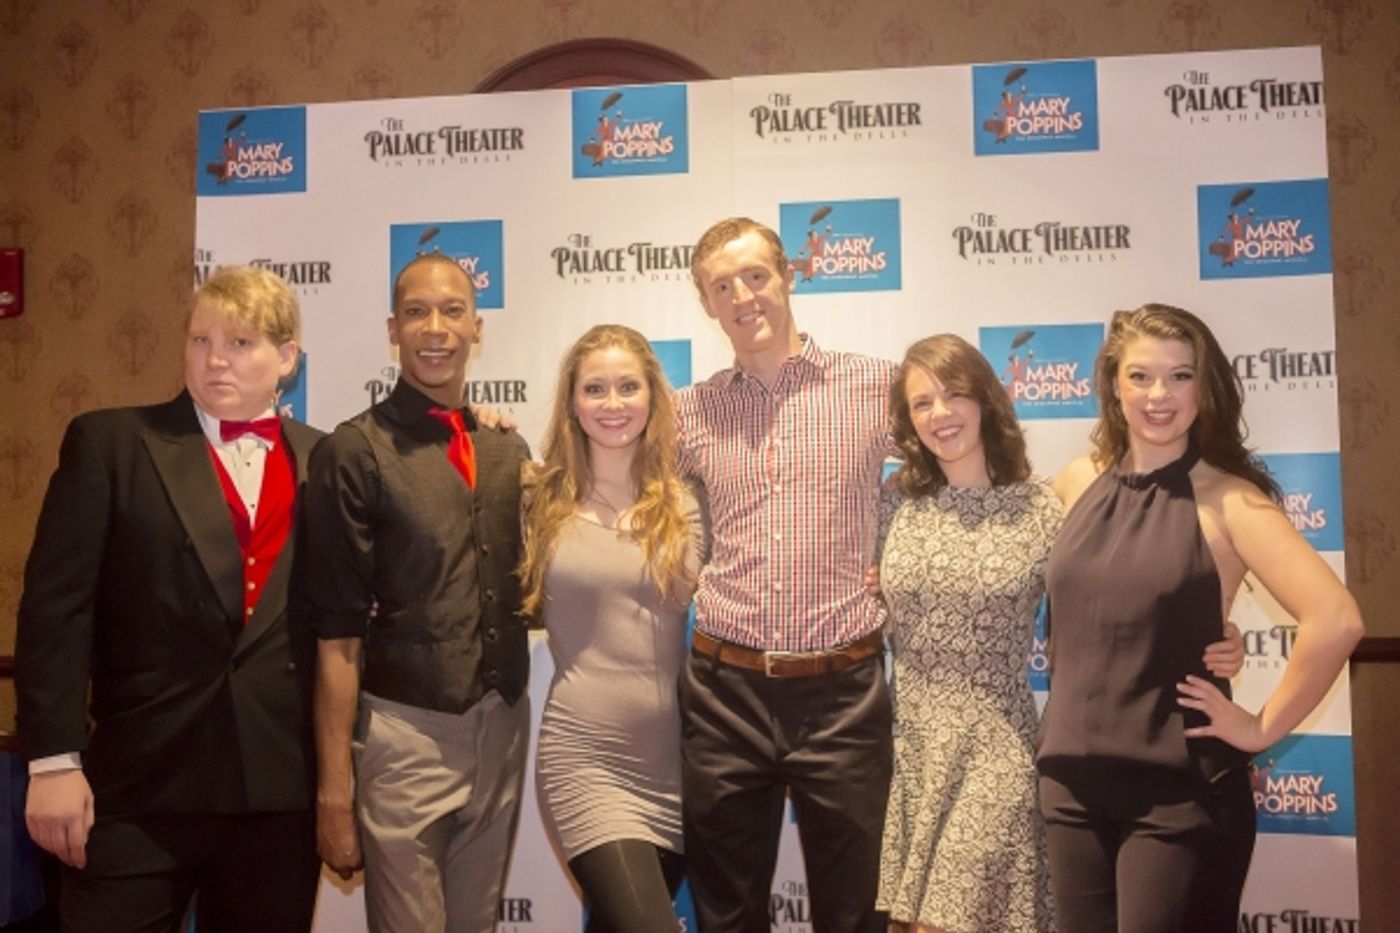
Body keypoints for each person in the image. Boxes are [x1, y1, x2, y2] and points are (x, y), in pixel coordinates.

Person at [872, 335, 1243, 933]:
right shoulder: (895, 505)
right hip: (914, 751)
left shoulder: (1044, 508)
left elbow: (1121, 591)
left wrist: (1219, 633)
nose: (940, 414)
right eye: (921, 404)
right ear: (908, 422)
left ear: (985, 400)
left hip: (995, 750)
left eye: (954, 394)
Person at [1039, 303, 1364, 932]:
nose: (1158, 395)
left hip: (1178, 797)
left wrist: (1261, 725)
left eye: (1180, 376)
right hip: (1071, 789)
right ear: (1112, 383)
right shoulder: (1076, 481)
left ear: (1203, 386)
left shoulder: (1230, 500)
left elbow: (1337, 619)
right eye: (1140, 376)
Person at [16, 266, 322, 932]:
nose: (215, 359)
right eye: (200, 339)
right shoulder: (111, 444)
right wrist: (52, 760)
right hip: (133, 790)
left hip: (278, 797)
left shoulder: (327, 461)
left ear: (287, 358)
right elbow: (55, 611)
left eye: (240, 342)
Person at [676, 216, 896, 933]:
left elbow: (967, 451)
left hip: (845, 695)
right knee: (728, 917)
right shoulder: (689, 411)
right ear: (708, 305)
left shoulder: (876, 385)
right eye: (722, 285)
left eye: (756, 275)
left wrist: (904, 552)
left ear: (789, 276)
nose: (743, 295)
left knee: (856, 914)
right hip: (724, 693)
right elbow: (590, 465)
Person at [304, 253, 531, 933]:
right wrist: (334, 789)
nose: (435, 328)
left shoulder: (505, 446)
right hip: (403, 734)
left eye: (452, 311)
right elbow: (337, 638)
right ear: (392, 329)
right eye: (416, 312)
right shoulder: (354, 451)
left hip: (501, 729)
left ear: (477, 328)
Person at [520, 324, 705, 933]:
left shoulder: (689, 500)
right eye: (594, 388)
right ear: (572, 402)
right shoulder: (536, 497)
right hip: (586, 758)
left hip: (679, 767)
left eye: (628, 386)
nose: (612, 403)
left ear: (653, 396)